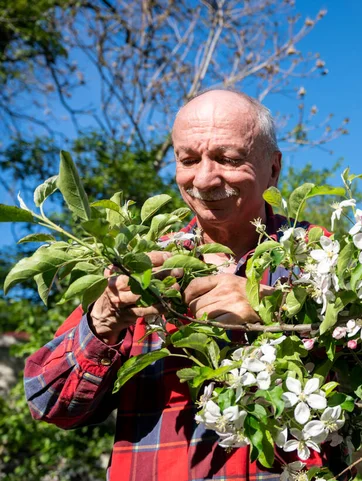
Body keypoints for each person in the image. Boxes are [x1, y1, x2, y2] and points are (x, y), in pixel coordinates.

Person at [23, 89, 331, 480]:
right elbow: (49, 403)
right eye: (188, 160)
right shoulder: (144, 267)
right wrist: (104, 318)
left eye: (228, 159)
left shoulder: (319, 254)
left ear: (273, 168)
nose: (203, 179)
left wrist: (277, 311)